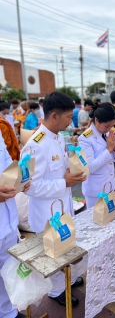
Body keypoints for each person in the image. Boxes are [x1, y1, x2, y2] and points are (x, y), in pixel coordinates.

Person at [22, 92, 86, 307]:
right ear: (55, 116)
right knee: (52, 253)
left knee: (64, 246)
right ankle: (56, 290)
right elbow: (28, 186)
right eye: (69, 117)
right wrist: (63, 183)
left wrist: (72, 170)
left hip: (62, 205)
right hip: (46, 213)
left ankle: (65, 279)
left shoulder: (58, 136)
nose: (71, 121)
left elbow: (59, 169)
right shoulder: (35, 145)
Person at [0, 131, 29, 318]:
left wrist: (20, 180)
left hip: (7, 222)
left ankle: (7, 312)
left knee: (6, 275)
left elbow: (6, 166)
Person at [78, 102, 115, 208]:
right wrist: (109, 149)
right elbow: (89, 167)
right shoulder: (85, 138)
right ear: (97, 120)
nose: (109, 129)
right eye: (107, 126)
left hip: (110, 185)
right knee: (96, 222)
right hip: (95, 190)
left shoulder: (107, 134)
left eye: (112, 126)